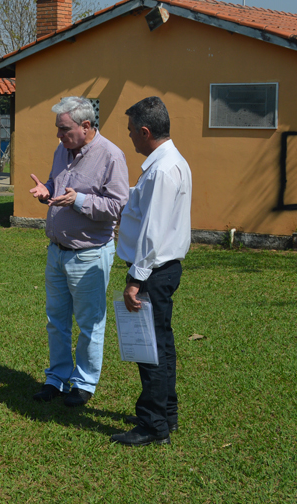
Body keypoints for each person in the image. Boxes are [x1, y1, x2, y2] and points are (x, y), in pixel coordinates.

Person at [29, 97, 129, 406]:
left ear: (86, 126)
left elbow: (118, 204)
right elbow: (57, 184)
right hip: (57, 251)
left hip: (89, 253)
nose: (59, 136)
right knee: (56, 320)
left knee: (89, 323)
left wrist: (78, 201)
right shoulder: (63, 149)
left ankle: (84, 384)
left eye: (64, 129)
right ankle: (57, 378)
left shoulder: (111, 155)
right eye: (58, 129)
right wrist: (46, 190)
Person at [111, 96, 192, 447]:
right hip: (163, 270)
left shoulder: (161, 169)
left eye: (131, 131)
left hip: (153, 272)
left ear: (145, 132)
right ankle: (166, 414)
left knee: (151, 350)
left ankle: (153, 424)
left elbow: (153, 232)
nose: (128, 137)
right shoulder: (171, 163)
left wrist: (135, 280)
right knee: (163, 345)